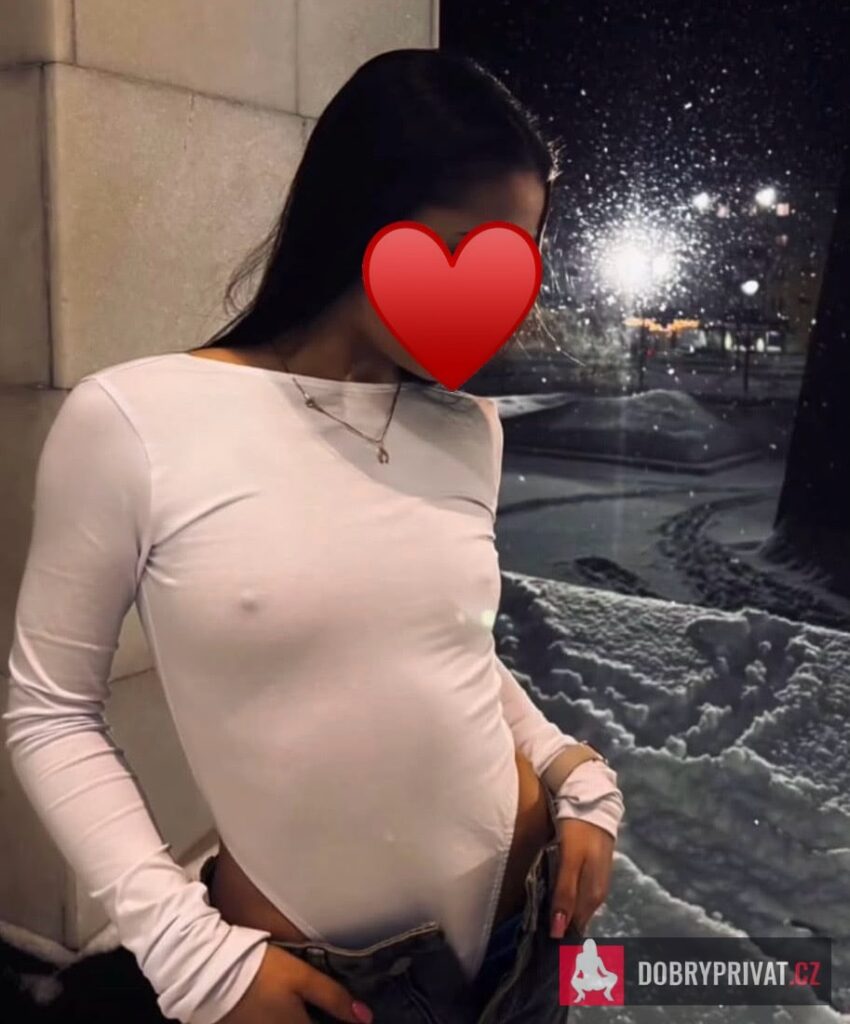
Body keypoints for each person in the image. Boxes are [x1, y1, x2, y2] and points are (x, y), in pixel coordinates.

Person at [3, 48, 624, 1024]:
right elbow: (49, 713)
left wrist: (566, 767)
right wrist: (184, 947)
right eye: (463, 248)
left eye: (516, 260)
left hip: (534, 929)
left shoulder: (469, 429)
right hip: (330, 982)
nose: (491, 303)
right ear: (358, 215)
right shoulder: (134, 419)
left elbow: (441, 645)